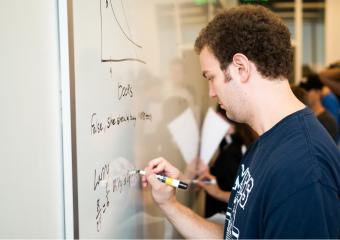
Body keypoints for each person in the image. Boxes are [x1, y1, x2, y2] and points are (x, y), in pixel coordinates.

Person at [141, 5, 340, 239]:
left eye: (211, 78)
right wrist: (169, 204)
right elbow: (236, 234)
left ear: (241, 67)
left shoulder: (303, 171)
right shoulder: (265, 143)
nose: (212, 93)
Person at [196, 106, 257, 218]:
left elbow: (242, 194)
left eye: (217, 119)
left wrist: (217, 192)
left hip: (224, 216)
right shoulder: (241, 143)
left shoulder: (232, 153)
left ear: (231, 123)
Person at [299, 74, 339, 141]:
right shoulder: (305, 116)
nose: (303, 93)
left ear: (318, 92)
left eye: (307, 90)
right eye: (302, 90)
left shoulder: (327, 121)